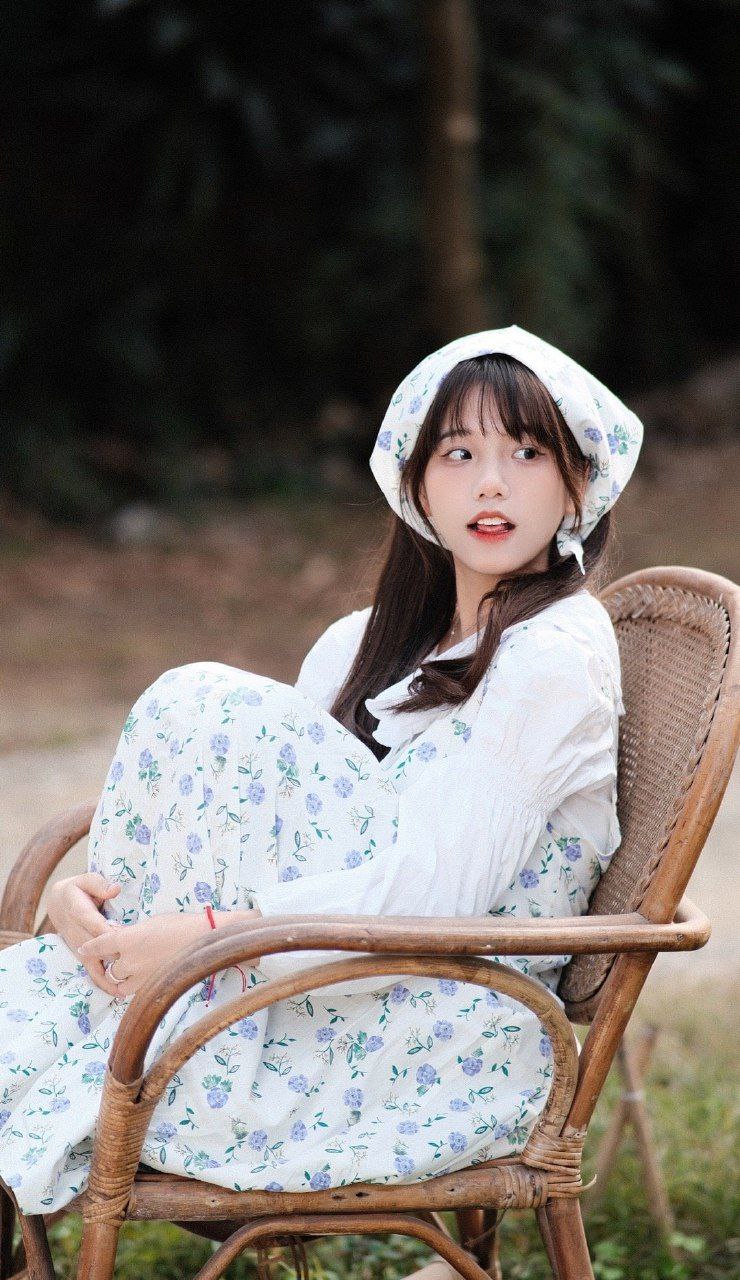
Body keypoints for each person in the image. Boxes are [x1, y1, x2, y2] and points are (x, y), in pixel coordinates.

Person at [0, 326, 642, 1275]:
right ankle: (113, 984)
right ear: (415, 484)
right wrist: (95, 907)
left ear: (578, 482)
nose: (491, 485)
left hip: (440, 1017)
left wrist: (200, 937)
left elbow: (434, 899)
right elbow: (262, 826)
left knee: (209, 699)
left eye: (526, 453)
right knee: (197, 717)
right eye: (458, 454)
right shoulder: (362, 644)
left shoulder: (555, 656)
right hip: (299, 980)